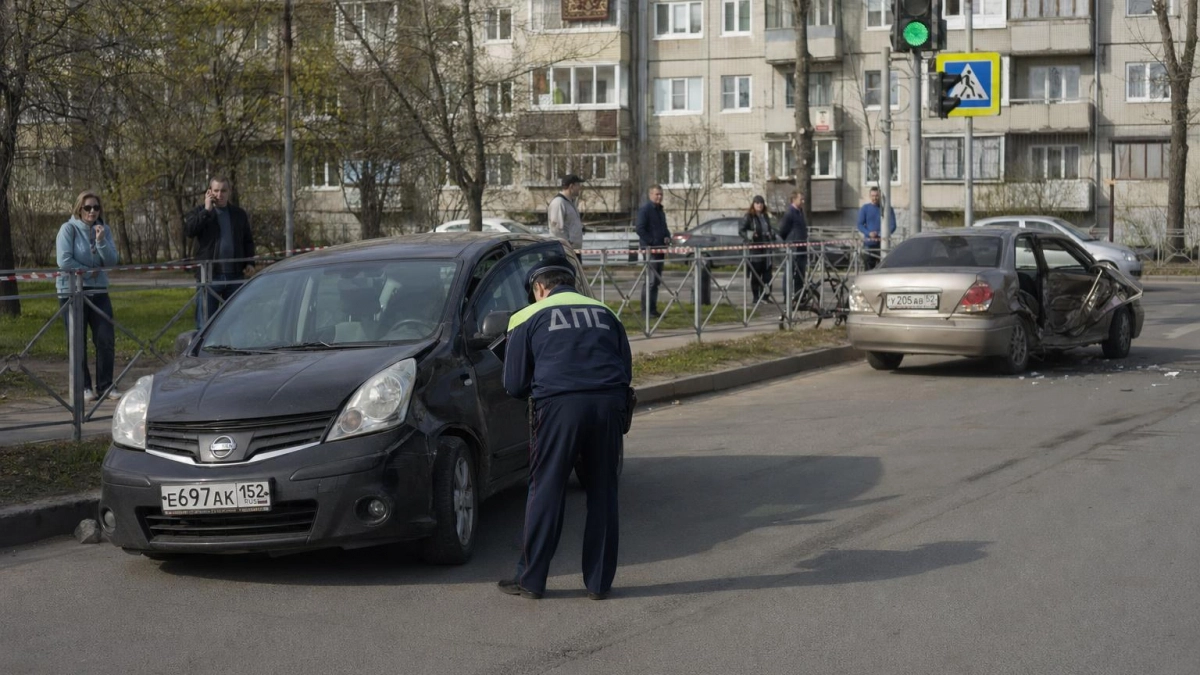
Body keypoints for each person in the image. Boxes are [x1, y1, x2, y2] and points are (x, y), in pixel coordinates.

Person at [498, 256, 633, 601]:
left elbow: (514, 384)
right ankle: (599, 583)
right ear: (570, 283)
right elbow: (626, 369)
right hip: (608, 404)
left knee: (546, 488)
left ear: (540, 288)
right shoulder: (606, 313)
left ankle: (531, 579)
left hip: (559, 407)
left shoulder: (527, 316)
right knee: (603, 491)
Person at [56, 191, 120, 402]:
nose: (92, 211)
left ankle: (106, 385)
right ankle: (83, 386)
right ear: (79, 209)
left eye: (96, 207)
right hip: (73, 292)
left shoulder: (104, 230)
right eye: (87, 207)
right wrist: (87, 270)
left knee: (105, 338)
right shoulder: (68, 229)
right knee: (77, 341)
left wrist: (101, 241)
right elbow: (64, 261)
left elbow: (111, 262)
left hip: (99, 291)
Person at [184, 176, 255, 329]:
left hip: (235, 276)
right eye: (216, 190)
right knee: (205, 324)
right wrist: (206, 210)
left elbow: (248, 241)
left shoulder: (238, 214)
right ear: (209, 192)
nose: (220, 194)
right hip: (209, 277)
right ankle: (204, 352)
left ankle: (231, 352)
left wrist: (250, 262)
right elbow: (189, 230)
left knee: (235, 322)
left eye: (223, 190)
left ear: (229, 192)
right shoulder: (200, 212)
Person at [635, 185, 671, 317]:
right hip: (650, 250)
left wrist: (667, 236)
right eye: (657, 194)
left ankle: (653, 309)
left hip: (660, 250)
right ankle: (646, 310)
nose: (659, 197)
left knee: (656, 281)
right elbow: (640, 229)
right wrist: (651, 242)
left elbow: (664, 228)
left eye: (661, 194)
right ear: (650, 195)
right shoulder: (645, 210)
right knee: (650, 281)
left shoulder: (660, 211)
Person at [739, 195, 777, 303]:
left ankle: (765, 296)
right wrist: (750, 235)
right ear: (753, 204)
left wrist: (771, 235)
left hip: (766, 249)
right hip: (755, 250)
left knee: (767, 275)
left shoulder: (765, 217)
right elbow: (741, 231)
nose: (759, 205)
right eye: (757, 203)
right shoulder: (749, 217)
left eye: (761, 203)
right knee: (756, 274)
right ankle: (756, 298)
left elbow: (770, 229)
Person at [856, 187, 896, 271]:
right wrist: (869, 233)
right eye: (873, 196)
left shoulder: (887, 209)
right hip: (869, 244)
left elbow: (893, 225)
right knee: (869, 268)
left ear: (880, 196)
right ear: (870, 196)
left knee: (884, 268)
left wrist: (881, 234)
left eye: (877, 196)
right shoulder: (865, 208)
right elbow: (860, 225)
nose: (875, 198)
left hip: (883, 243)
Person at [777, 190, 808, 298]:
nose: (803, 201)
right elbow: (782, 230)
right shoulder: (790, 213)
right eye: (801, 199)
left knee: (800, 273)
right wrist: (790, 241)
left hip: (802, 246)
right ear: (794, 200)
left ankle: (799, 296)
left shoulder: (800, 212)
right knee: (790, 273)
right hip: (794, 247)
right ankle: (787, 297)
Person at [547, 174, 585, 254]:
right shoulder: (559, 203)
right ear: (571, 186)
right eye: (578, 185)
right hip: (564, 252)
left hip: (573, 251)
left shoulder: (570, 202)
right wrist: (567, 245)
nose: (579, 188)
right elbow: (556, 229)